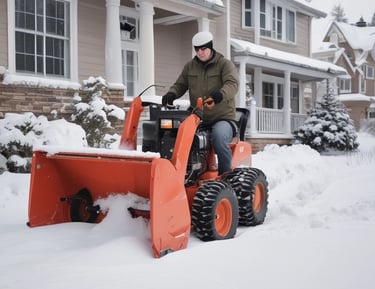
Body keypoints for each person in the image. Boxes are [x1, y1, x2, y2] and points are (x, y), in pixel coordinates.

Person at [162, 31, 239, 175]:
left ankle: (226, 175)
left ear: (210, 47)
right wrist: (171, 94)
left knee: (218, 136)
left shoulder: (224, 64)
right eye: (197, 49)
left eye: (203, 49)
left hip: (222, 118)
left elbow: (232, 84)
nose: (200, 52)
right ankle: (183, 175)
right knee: (177, 135)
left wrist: (220, 95)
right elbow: (180, 84)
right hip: (198, 117)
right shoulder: (190, 66)